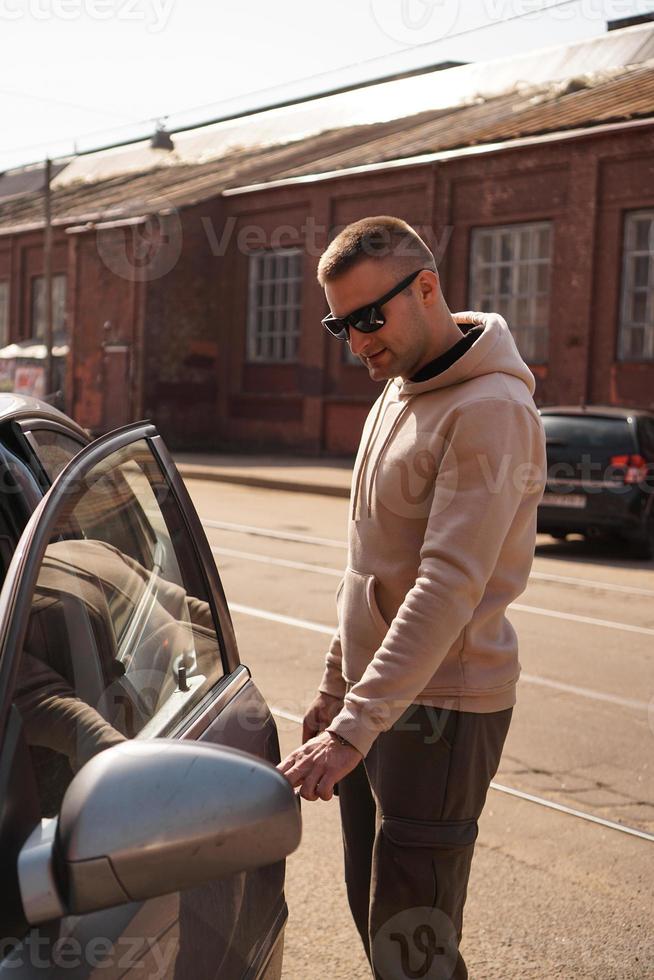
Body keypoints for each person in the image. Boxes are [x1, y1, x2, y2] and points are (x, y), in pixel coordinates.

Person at [278, 216, 547, 978]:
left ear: (426, 287)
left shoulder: (489, 409)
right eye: (341, 325)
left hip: (443, 711)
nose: (359, 342)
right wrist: (339, 687)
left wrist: (354, 725)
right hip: (379, 703)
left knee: (412, 946)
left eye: (370, 317)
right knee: (377, 920)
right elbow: (371, 560)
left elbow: (446, 585)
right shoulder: (399, 389)